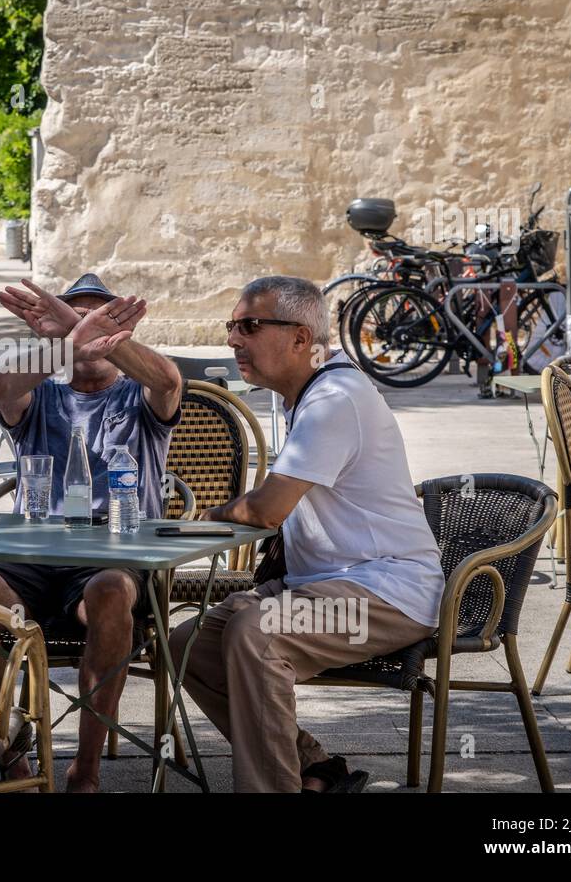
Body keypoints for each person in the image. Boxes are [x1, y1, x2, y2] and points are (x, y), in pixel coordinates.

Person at [168, 276, 443, 793]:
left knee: (257, 632)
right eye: (231, 326)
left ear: (300, 339)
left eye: (249, 325)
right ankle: (315, 768)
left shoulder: (334, 398)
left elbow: (269, 509)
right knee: (186, 644)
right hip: (324, 584)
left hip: (388, 591)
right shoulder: (306, 392)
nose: (232, 339)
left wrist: (210, 516)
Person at [0, 273, 184, 792]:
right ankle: (11, 754)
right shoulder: (40, 394)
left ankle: (86, 770)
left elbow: (168, 381)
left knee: (109, 592)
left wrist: (79, 328)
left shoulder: (140, 396)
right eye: (77, 319)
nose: (91, 334)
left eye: (104, 320)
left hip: (114, 554)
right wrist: (67, 342)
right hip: (35, 554)